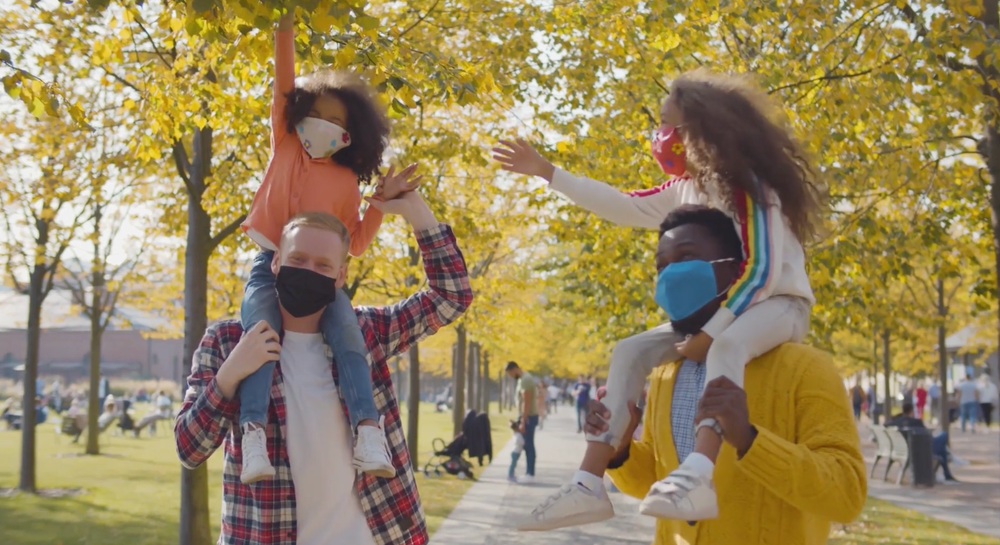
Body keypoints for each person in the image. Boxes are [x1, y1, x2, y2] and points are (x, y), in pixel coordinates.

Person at [495, 69, 820, 526]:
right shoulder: (687, 188)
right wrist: (548, 172)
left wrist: (710, 334)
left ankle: (700, 473)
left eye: (670, 126)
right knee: (629, 350)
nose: (661, 137)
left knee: (728, 347)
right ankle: (588, 483)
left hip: (778, 304)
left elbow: (763, 271)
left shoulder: (749, 187)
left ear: (704, 128)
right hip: (723, 314)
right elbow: (625, 205)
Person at [524, 205, 865, 542]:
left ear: (735, 271)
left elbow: (847, 497)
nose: (670, 275)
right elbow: (654, 486)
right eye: (661, 266)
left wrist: (748, 439)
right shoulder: (665, 372)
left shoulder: (804, 368)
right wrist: (621, 450)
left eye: (686, 258)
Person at [174, 189, 473, 545]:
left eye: (323, 265)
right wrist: (231, 373)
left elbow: (451, 296)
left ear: (341, 275)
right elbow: (189, 449)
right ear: (275, 263)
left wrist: (414, 209)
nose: (308, 272)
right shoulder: (226, 341)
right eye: (297, 259)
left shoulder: (367, 334)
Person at [235, 11, 423, 485]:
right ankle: (252, 432)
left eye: (334, 121)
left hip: (324, 277)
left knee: (349, 339)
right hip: (269, 265)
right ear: (298, 116)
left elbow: (355, 243)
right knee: (260, 336)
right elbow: (282, 79)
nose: (321, 124)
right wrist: (284, 26)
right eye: (314, 114)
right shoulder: (285, 144)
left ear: (350, 134)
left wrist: (380, 201)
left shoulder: (344, 181)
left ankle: (367, 430)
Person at [887, 402, 958, 482]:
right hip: (920, 449)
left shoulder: (895, 422)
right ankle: (948, 470)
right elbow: (926, 434)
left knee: (942, 449)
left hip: (904, 449)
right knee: (944, 436)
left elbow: (886, 424)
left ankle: (948, 463)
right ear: (912, 411)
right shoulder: (916, 422)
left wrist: (898, 416)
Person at [505, 362, 539, 484]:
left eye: (510, 373)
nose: (510, 376)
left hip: (528, 417)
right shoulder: (522, 379)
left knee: (528, 445)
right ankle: (529, 473)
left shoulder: (525, 380)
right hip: (526, 416)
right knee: (525, 444)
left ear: (514, 369)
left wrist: (523, 421)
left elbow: (526, 401)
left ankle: (530, 473)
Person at [508, 418, 526, 483]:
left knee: (514, 464)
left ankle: (512, 475)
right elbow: (522, 442)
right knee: (513, 464)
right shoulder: (518, 435)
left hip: (516, 452)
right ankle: (510, 475)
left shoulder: (516, 434)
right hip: (515, 452)